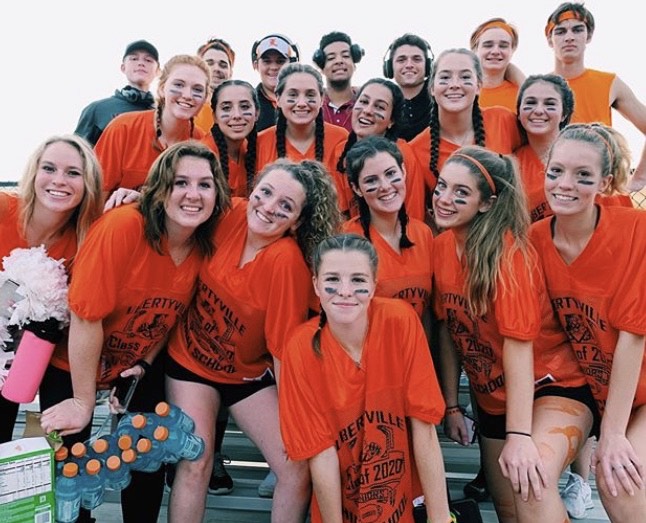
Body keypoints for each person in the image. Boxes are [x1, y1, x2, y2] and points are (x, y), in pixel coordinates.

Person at [39, 141, 231, 523]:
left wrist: (144, 360)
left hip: (134, 363)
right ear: (160, 189)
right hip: (73, 362)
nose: (193, 194)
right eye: (180, 182)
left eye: (205, 184)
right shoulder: (124, 226)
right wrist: (83, 401)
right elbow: (85, 316)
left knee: (147, 454)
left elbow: (168, 315)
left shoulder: (201, 244)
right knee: (70, 467)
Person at [164, 158, 342, 523]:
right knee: (197, 459)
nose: (269, 207)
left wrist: (296, 421)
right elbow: (172, 208)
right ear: (253, 191)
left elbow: (281, 352)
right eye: (265, 193)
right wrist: (127, 196)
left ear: (297, 222)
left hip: (245, 375)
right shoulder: (231, 215)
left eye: (286, 206)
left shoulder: (285, 262)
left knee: (295, 466)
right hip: (190, 363)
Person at [433, 146, 597, 522]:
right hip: (494, 398)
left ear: (487, 204)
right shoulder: (441, 247)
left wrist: (520, 437)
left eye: (462, 193)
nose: (445, 198)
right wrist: (452, 406)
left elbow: (520, 350)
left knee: (531, 485)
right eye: (442, 186)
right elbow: (449, 328)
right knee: (509, 509)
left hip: (551, 387)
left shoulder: (509, 256)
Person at [279, 233, 452, 523]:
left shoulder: (400, 321)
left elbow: (424, 429)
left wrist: (440, 519)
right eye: (332, 279)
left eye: (358, 280)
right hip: (342, 504)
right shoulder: (301, 347)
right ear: (316, 286)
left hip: (406, 500)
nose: (344, 291)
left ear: (374, 285)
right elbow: (320, 455)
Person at [530, 123, 646, 522]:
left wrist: (612, 435)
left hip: (641, 389)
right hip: (584, 385)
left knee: (619, 483)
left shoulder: (635, 230)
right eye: (555, 171)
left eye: (583, 176)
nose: (565, 184)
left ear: (605, 182)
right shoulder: (534, 241)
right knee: (530, 476)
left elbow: (633, 335)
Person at [0, 135, 103, 444]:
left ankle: (50, 477)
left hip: (54, 352)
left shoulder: (90, 235)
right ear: (34, 173)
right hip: (3, 347)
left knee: (61, 445)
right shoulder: (5, 208)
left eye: (73, 173)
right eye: (49, 168)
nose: (59, 180)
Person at [409, 48, 520, 221]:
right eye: (445, 77)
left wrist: (514, 72)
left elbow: (546, 131)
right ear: (432, 88)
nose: (454, 84)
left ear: (478, 86)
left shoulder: (502, 119)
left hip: (507, 237)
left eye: (465, 77)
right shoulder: (415, 150)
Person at [545, 2, 646, 191]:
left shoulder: (609, 83)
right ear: (550, 40)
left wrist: (639, 178)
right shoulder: (540, 89)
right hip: (557, 188)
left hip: (602, 189)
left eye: (577, 30)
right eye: (560, 31)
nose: (569, 37)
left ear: (588, 36)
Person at [341, 136, 433, 333]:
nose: (385, 186)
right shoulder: (347, 240)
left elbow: (429, 316)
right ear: (357, 188)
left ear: (404, 171)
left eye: (391, 173)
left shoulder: (423, 234)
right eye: (371, 180)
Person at [95, 54, 212, 207]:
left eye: (197, 89)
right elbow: (94, 197)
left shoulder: (202, 144)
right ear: (162, 89)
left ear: (205, 98)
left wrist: (145, 198)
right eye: (178, 85)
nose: (187, 95)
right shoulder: (123, 127)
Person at [332, 78, 426, 221]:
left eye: (380, 107)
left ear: (391, 121)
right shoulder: (341, 151)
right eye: (363, 102)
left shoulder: (403, 154)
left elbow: (414, 215)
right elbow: (341, 214)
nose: (368, 110)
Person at [256, 63, 348, 178]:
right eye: (293, 95)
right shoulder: (261, 142)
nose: (301, 103)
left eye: (310, 95)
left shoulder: (340, 139)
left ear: (321, 99)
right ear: (278, 99)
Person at [74, 40, 160, 146]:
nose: (141, 63)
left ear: (158, 71)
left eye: (148, 60)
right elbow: (78, 154)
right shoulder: (97, 110)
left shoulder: (163, 114)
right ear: (123, 67)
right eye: (134, 58)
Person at [205, 79, 259, 198]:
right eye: (226, 108)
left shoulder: (252, 149)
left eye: (244, 107)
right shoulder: (202, 155)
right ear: (214, 116)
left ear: (257, 113)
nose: (237, 115)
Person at [382, 33, 434, 142]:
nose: (409, 65)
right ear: (390, 67)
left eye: (416, 59)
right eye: (401, 60)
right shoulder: (382, 101)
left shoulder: (441, 96)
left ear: (428, 66)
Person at [469, 18, 525, 113]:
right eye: (488, 45)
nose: (495, 51)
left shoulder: (522, 95)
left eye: (503, 46)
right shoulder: (462, 92)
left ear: (512, 50)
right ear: (475, 49)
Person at [312, 31, 364, 132]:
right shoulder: (311, 105)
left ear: (354, 64)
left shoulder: (366, 105)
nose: (339, 61)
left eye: (345, 56)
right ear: (321, 67)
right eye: (331, 58)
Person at [251, 33, 300, 132]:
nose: (273, 67)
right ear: (256, 65)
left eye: (280, 61)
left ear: (293, 64)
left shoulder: (306, 101)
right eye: (267, 61)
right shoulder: (247, 104)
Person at [193, 37, 236, 133]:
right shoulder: (185, 107)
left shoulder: (239, 112)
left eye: (223, 65)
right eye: (209, 63)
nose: (216, 68)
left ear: (230, 73)